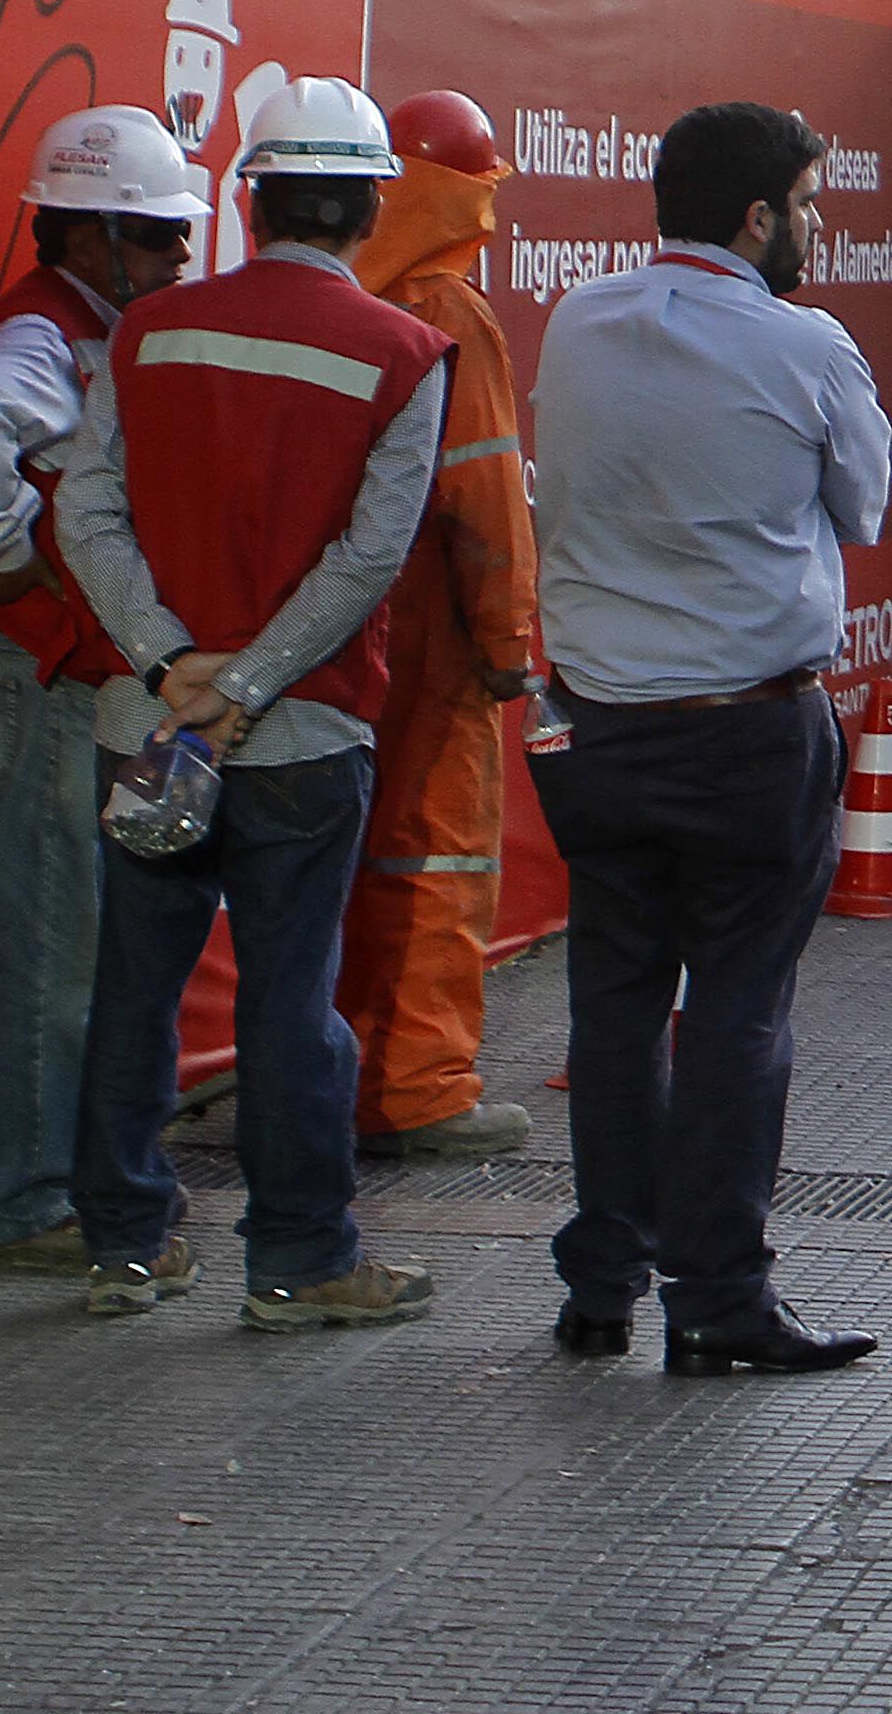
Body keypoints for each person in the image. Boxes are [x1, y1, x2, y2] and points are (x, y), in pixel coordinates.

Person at [53, 79, 446, 1332]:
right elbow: (372, 557)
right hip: (302, 738)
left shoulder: (150, 332)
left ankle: (123, 1246)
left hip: (148, 729)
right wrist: (255, 680)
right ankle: (299, 1262)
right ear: (371, 206)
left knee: (133, 989)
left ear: (250, 196)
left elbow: (83, 511)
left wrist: (173, 664)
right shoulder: (401, 353)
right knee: (289, 1005)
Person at [528, 101, 892, 1376]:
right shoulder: (806, 346)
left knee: (615, 1006)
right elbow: (864, 502)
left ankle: (603, 1285)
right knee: (740, 1010)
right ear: (758, 217)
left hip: (597, 735)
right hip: (749, 735)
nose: (817, 227)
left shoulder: (577, 321)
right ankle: (719, 1297)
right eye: (808, 205)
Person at [0, 105, 204, 1269]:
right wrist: (11, 568)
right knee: (52, 939)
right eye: (155, 237)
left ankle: (53, 1181)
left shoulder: (85, 328)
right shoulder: (47, 337)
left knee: (72, 933)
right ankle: (27, 1200)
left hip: (55, 670)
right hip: (34, 674)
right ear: (86, 235)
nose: (181, 258)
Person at [342, 91, 546, 1159]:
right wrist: (510, 647)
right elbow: (485, 499)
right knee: (439, 854)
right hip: (437, 628)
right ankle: (420, 1088)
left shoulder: (336, 300)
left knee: (348, 851)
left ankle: (335, 1067)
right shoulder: (450, 315)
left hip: (335, 626)